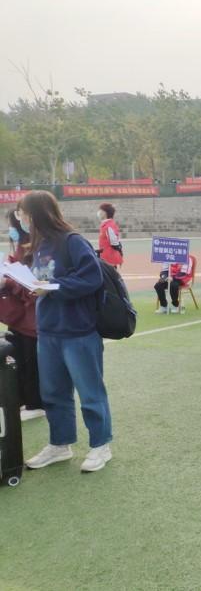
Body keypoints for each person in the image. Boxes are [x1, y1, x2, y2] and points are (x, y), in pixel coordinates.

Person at [17, 191, 113, 473]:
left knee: (90, 392)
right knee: (53, 393)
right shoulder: (38, 245)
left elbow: (92, 278)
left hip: (78, 331)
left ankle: (101, 445)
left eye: (23, 213)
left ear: (37, 214)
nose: (21, 219)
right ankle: (60, 444)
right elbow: (42, 280)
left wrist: (53, 287)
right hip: (48, 331)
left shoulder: (72, 241)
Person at [0, 221, 44, 422]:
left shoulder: (37, 248)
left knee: (30, 362)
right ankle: (23, 400)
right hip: (18, 318)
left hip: (31, 319)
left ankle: (36, 403)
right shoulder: (19, 248)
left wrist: (8, 281)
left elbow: (32, 287)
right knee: (17, 361)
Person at [96, 203, 123, 268]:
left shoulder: (108, 226)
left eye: (101, 210)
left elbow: (114, 242)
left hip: (108, 259)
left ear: (105, 213)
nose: (99, 212)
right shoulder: (106, 225)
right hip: (105, 258)